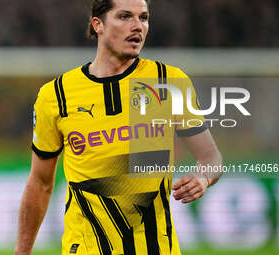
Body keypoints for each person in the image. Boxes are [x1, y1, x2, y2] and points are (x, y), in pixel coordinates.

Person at [15, 0, 223, 254]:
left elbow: (211, 157)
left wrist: (203, 178)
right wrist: (22, 251)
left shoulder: (165, 82)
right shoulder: (56, 95)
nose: (137, 26)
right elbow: (40, 183)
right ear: (98, 24)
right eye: (125, 17)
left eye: (143, 18)